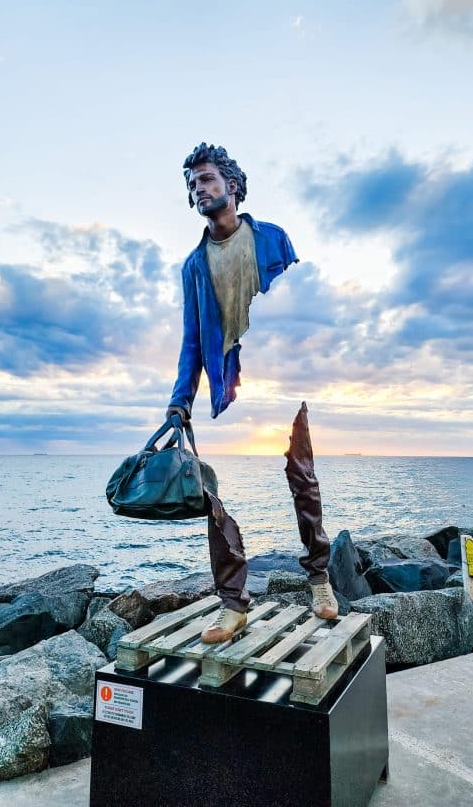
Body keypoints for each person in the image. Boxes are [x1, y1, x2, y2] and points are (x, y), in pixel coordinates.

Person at [167, 143, 338, 643]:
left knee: (303, 481)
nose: (200, 188)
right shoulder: (193, 266)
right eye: (194, 183)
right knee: (217, 503)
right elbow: (192, 339)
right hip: (230, 389)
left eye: (207, 179)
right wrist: (182, 399)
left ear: (232, 185)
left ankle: (320, 581)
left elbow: (306, 311)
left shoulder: (273, 239)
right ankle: (233, 605)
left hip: (284, 381)